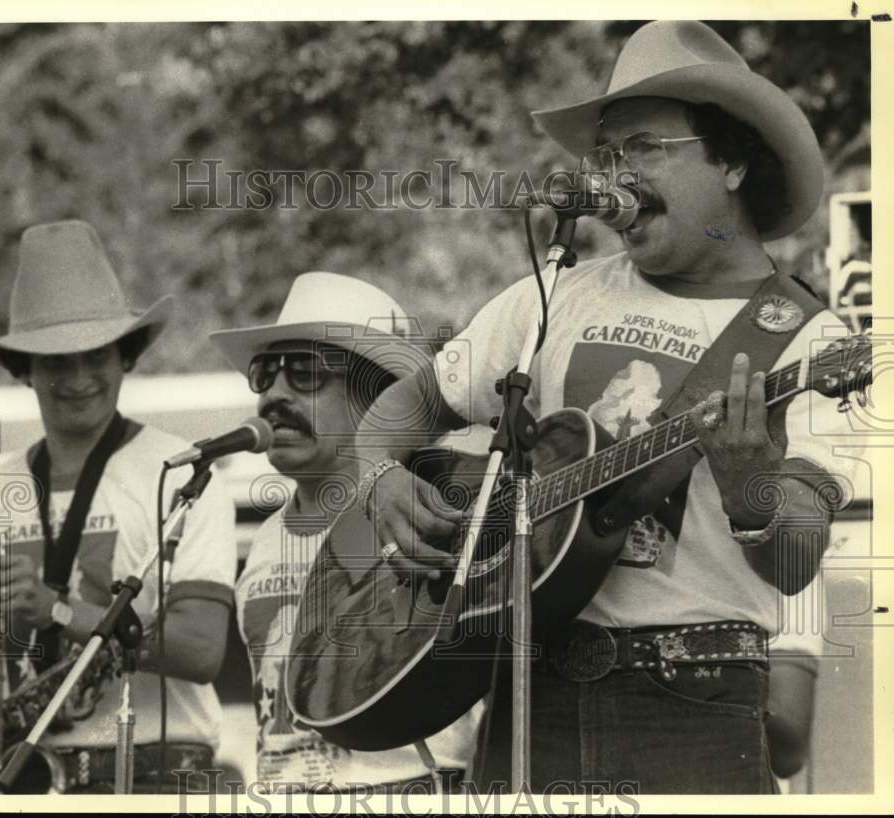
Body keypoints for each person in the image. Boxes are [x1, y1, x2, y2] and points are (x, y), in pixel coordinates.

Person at [355, 21, 860, 794]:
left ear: (729, 159)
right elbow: (412, 401)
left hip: (692, 703)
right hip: (530, 694)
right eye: (607, 155)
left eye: (645, 148)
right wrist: (377, 475)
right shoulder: (554, 293)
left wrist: (751, 486)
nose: (614, 178)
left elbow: (794, 563)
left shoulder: (809, 339)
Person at [0, 220, 236, 793]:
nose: (78, 378)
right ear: (25, 372)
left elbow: (201, 649)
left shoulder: (181, 473)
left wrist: (59, 611)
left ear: (126, 357)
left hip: (153, 778)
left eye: (95, 356)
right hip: (16, 781)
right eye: (55, 362)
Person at [210, 272, 481, 794]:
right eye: (266, 374)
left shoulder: (426, 511)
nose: (275, 395)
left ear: (377, 400)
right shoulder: (266, 536)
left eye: (306, 374)